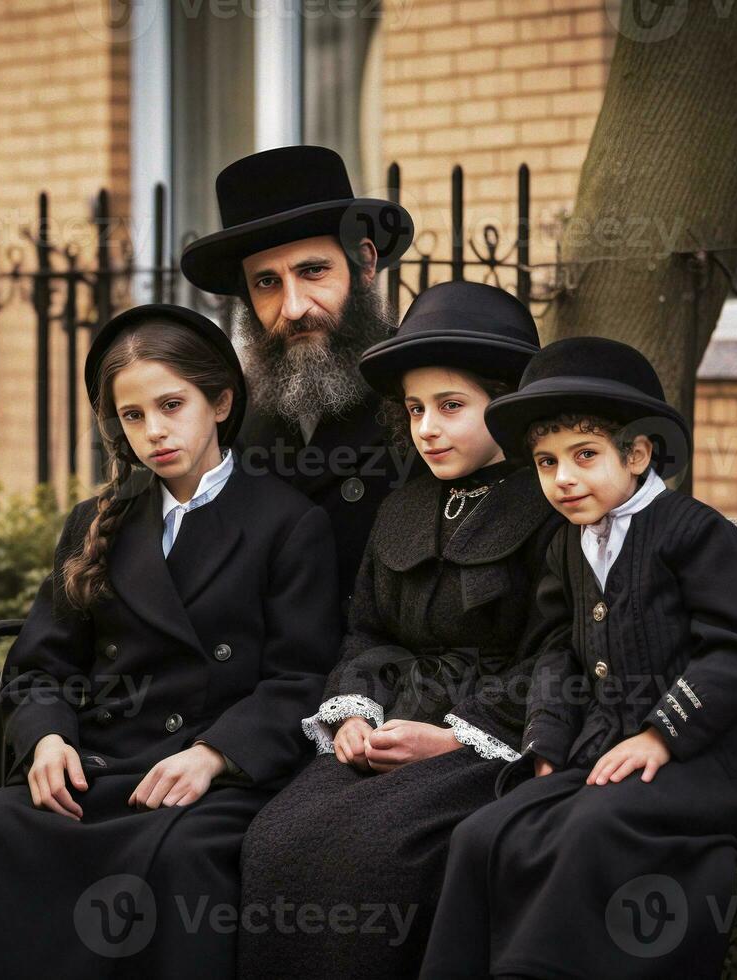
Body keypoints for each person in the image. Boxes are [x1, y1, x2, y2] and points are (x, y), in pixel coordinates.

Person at [0, 304, 340, 980]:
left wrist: (214, 754)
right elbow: (41, 665)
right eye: (132, 416)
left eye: (171, 405)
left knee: (182, 861)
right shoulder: (97, 522)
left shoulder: (287, 523)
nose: (154, 431)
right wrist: (45, 738)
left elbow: (300, 678)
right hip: (99, 764)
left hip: (213, 777)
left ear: (220, 401)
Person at [418, 337, 737, 980]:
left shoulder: (693, 532)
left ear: (637, 453)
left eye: (585, 456)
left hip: (697, 762)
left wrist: (661, 735)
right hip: (598, 754)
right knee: (483, 832)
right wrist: (549, 741)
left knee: (589, 832)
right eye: (545, 461)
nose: (563, 478)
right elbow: (558, 652)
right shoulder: (568, 545)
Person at [238, 281, 564, 979]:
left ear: (506, 406)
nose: (427, 429)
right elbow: (367, 631)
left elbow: (559, 654)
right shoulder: (405, 505)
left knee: (384, 858)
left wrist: (455, 736)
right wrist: (355, 712)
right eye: (414, 409)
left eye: (451, 407)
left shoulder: (551, 510)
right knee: (276, 840)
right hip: (393, 731)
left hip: (487, 745)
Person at [181, 144, 418, 612]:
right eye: (267, 282)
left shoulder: (424, 399)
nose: (293, 308)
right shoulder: (232, 421)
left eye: (313, 271)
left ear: (365, 264)